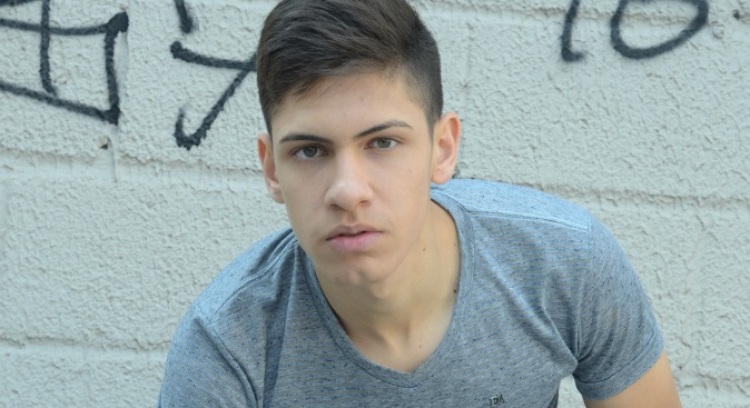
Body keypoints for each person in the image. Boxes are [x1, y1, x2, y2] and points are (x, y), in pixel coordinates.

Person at [157, 0, 682, 406]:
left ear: (443, 148)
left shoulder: (563, 264)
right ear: (272, 168)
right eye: (310, 151)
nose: (348, 191)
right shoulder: (225, 349)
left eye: (382, 143)